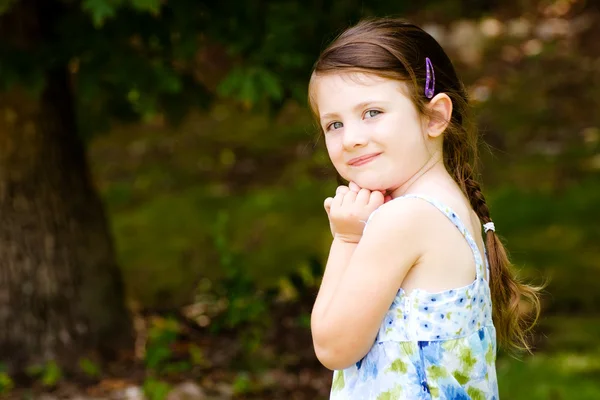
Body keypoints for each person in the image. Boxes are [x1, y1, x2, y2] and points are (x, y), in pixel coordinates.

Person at [308, 18, 541, 399]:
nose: (351, 139)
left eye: (372, 112)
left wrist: (346, 238)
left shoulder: (404, 219)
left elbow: (333, 347)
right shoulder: (449, 204)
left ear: (434, 116)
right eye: (334, 124)